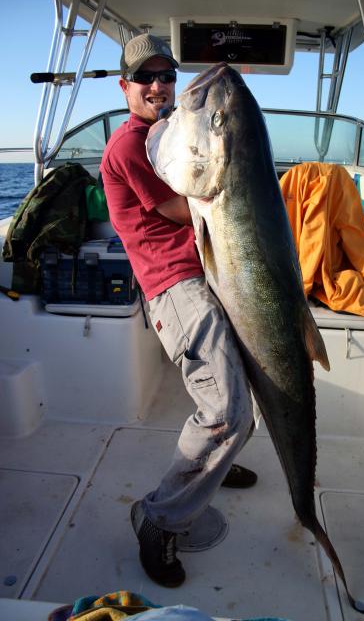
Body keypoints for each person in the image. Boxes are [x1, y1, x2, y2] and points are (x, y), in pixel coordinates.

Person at [100, 33, 256, 589]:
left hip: (209, 273)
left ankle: (211, 467)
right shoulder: (130, 145)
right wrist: (236, 172)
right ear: (125, 86)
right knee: (227, 412)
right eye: (146, 77)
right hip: (175, 285)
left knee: (235, 394)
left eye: (166, 75)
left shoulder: (168, 133)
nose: (159, 86)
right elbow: (177, 208)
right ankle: (159, 519)